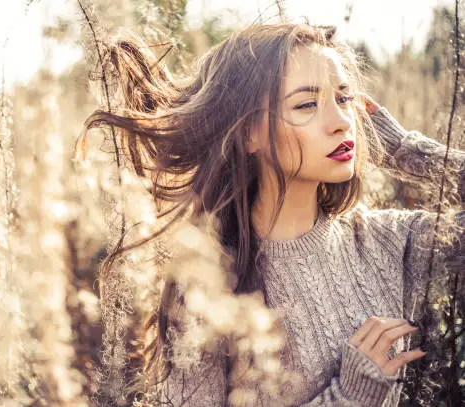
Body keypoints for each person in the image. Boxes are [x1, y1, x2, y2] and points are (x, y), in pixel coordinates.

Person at [78, 23, 465, 406]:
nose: (341, 122)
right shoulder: (207, 288)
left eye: (344, 99)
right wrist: (350, 396)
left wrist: (401, 149)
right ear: (248, 133)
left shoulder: (389, 243)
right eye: (306, 105)